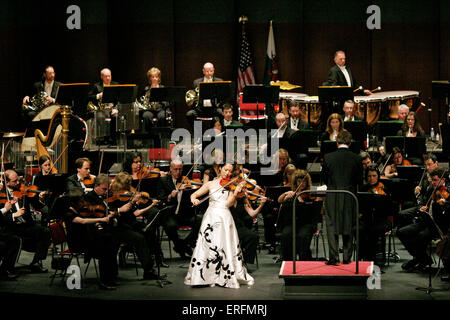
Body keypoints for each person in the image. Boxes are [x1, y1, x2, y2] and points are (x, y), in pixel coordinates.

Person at [186, 163, 254, 288]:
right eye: (225, 170)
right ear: (220, 169)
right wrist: (194, 199)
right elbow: (194, 194)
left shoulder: (231, 186)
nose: (227, 173)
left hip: (224, 217)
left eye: (230, 171)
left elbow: (228, 204)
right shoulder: (211, 184)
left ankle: (224, 275)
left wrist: (235, 192)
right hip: (210, 217)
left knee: (225, 245)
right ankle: (205, 276)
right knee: (208, 245)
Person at [107, 173, 164, 280]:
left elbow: (134, 213)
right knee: (140, 238)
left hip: (129, 223)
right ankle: (148, 269)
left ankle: (154, 261)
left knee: (149, 232)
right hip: (120, 225)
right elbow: (125, 214)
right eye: (127, 183)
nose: (129, 186)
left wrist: (148, 205)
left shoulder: (127, 194)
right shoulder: (114, 196)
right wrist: (133, 201)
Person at [64, 189, 119, 290]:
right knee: (105, 250)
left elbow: (87, 224)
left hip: (86, 239)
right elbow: (83, 222)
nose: (84, 203)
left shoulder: (78, 211)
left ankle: (112, 277)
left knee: (110, 241)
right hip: (78, 244)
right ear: (74, 202)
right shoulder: (68, 214)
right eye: (81, 201)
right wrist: (101, 219)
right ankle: (105, 281)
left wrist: (99, 222)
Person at [321, 130, 363, 265]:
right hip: (350, 195)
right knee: (349, 225)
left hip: (333, 194)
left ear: (337, 142)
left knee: (331, 225)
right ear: (350, 143)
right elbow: (359, 180)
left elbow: (324, 179)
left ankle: (333, 257)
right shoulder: (356, 158)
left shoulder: (328, 157)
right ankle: (346, 257)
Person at [397, 167, 449, 273]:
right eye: (432, 180)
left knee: (421, 236)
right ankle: (423, 258)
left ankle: (419, 259)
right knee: (401, 232)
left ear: (443, 180)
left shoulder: (447, 191)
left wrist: (444, 205)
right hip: (425, 221)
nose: (433, 183)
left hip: (438, 226)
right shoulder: (431, 189)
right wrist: (421, 207)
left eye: (435, 180)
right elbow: (423, 202)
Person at [0, 170, 51, 273]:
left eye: (18, 180)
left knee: (44, 231)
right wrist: (14, 215)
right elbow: (1, 217)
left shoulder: (24, 191)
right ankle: (7, 268)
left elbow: (38, 206)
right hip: (11, 226)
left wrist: (40, 198)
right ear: (7, 182)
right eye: (15, 181)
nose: (18, 183)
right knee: (13, 239)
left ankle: (36, 262)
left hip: (25, 225)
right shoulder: (1, 194)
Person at [277, 170, 322, 261]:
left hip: (307, 223)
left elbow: (319, 209)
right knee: (286, 234)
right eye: (299, 181)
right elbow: (279, 200)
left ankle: (304, 260)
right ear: (295, 182)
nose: (301, 184)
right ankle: (288, 260)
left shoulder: (312, 192)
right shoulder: (292, 193)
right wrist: (286, 194)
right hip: (293, 222)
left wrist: (318, 199)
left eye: (304, 181)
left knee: (303, 235)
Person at [156, 159, 195, 258]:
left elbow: (190, 201)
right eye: (175, 169)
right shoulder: (163, 181)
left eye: (180, 170)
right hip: (170, 214)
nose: (178, 172)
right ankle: (181, 246)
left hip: (184, 213)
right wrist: (170, 196)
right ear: (170, 169)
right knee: (170, 226)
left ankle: (184, 244)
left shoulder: (185, 180)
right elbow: (161, 200)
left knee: (200, 220)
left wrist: (189, 191)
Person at [359, 166, 392, 262]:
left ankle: (372, 259)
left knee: (373, 231)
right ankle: (362, 256)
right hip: (366, 219)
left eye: (374, 176)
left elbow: (389, 209)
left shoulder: (384, 189)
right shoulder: (363, 189)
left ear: (378, 176)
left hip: (382, 220)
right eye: (369, 176)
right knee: (359, 229)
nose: (371, 178)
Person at [397, 153, 439, 228]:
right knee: (401, 214)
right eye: (426, 165)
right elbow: (421, 195)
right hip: (422, 205)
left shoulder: (440, 177)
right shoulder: (425, 176)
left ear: (436, 163)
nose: (427, 167)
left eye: (429, 164)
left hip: (431, 209)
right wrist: (416, 191)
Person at [230, 188, 267, 269]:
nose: (242, 192)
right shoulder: (228, 200)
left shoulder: (243, 202)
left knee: (253, 236)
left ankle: (244, 261)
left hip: (239, 227)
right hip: (228, 227)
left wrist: (261, 205)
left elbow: (252, 214)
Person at [186, 62, 224, 126]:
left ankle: (215, 132)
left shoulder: (219, 81)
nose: (209, 73)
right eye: (207, 71)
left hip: (213, 108)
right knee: (189, 114)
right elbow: (193, 97)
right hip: (200, 109)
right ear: (203, 71)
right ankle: (198, 132)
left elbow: (222, 97)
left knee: (221, 113)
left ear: (214, 70)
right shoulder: (196, 82)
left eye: (211, 71)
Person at [88, 68, 120, 144]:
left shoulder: (116, 85)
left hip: (112, 109)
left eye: (109, 76)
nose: (108, 78)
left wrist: (116, 108)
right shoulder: (97, 86)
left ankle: (114, 139)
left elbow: (120, 98)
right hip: (101, 109)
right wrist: (98, 95)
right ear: (101, 77)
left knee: (115, 116)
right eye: (106, 76)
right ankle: (103, 139)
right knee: (101, 117)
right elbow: (89, 97)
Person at [140, 67, 172, 132]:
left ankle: (162, 135)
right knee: (146, 116)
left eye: (156, 77)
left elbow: (167, 103)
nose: (155, 79)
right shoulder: (146, 89)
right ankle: (149, 136)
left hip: (160, 109)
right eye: (153, 77)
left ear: (159, 78)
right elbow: (143, 101)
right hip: (149, 110)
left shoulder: (162, 88)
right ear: (150, 78)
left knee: (162, 116)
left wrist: (163, 101)